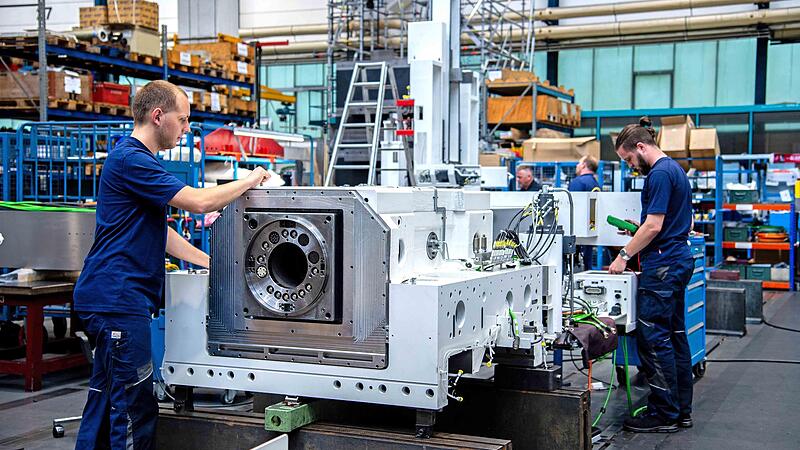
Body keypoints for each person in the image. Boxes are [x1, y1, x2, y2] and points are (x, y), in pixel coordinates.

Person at [72, 80, 270, 449]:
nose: (186, 129)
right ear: (158, 116)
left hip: (110, 298)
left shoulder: (136, 161)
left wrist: (211, 262)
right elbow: (198, 202)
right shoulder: (131, 160)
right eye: (183, 120)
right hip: (118, 299)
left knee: (104, 400)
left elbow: (158, 233)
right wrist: (250, 180)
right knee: (133, 407)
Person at [609, 117, 694, 433]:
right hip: (678, 261)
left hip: (662, 267)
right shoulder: (676, 170)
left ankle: (664, 414)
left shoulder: (658, 174)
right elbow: (673, 219)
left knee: (654, 340)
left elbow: (654, 225)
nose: (632, 166)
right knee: (675, 337)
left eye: (630, 159)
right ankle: (681, 410)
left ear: (641, 147)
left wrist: (623, 254)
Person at [568, 156, 601, 270]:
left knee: (575, 264)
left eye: (579, 163)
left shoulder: (579, 182)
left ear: (583, 165)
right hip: (591, 226)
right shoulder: (594, 183)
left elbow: (571, 207)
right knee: (587, 261)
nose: (577, 166)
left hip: (577, 229)